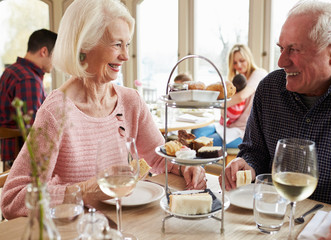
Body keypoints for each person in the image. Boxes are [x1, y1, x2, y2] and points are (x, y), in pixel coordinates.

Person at [1, 0, 206, 220]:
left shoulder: (130, 101)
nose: (126, 56)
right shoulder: (55, 112)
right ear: (83, 47)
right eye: (117, 44)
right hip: (75, 230)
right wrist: (83, 192)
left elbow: (159, 158)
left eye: (127, 44)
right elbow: (12, 199)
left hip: (124, 224)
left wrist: (185, 166)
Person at [221, 1, 331, 210]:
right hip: (272, 217)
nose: (281, 61)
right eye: (281, 48)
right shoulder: (269, 88)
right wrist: (246, 165)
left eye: (294, 49)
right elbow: (254, 151)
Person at [0, 29, 57, 171]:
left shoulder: (11, 70)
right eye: (55, 56)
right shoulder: (29, 79)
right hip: (21, 157)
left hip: (10, 154)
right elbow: (33, 129)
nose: (56, 63)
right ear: (44, 51)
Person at [192, 44, 267, 148]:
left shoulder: (259, 74)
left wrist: (218, 104)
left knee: (204, 144)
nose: (238, 65)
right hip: (227, 127)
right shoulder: (236, 81)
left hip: (242, 132)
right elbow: (226, 111)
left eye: (242, 60)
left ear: (249, 58)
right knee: (196, 133)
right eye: (235, 63)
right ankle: (195, 164)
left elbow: (242, 96)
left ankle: (196, 163)